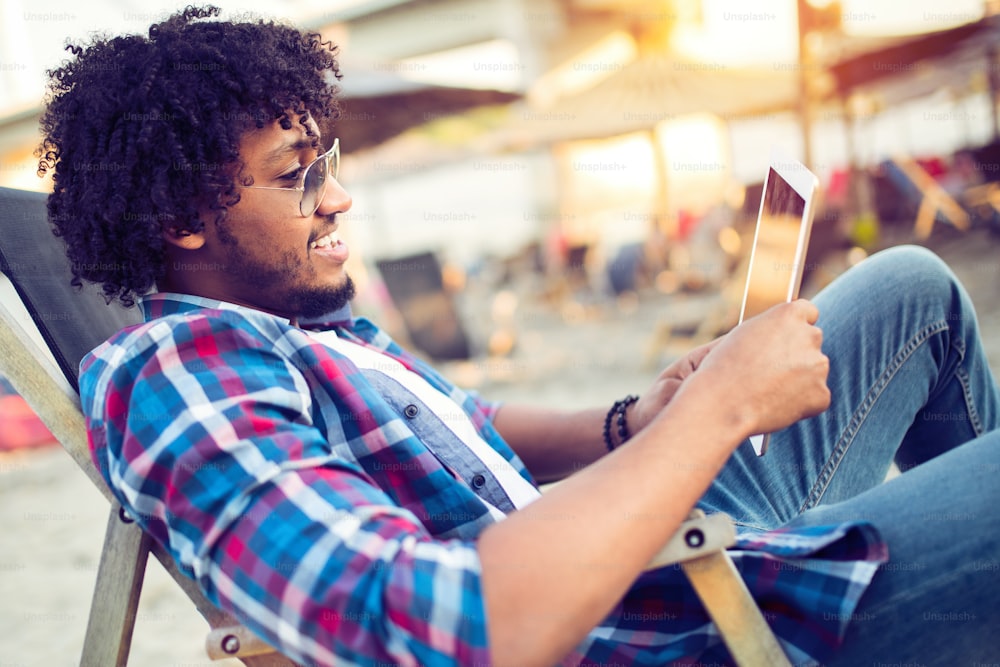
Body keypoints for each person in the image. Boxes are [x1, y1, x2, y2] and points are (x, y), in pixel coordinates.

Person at [37, 7, 999, 666]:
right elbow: (428, 630)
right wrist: (720, 408)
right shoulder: (174, 369)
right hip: (667, 624)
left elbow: (469, 423)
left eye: (326, 160)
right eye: (297, 174)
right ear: (179, 217)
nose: (338, 194)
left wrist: (633, 419)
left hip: (630, 558)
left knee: (911, 292)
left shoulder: (297, 327)